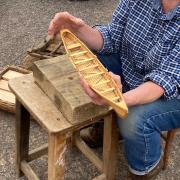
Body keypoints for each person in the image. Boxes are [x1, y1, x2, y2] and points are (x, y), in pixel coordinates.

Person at [48, 0, 180, 179]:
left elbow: (163, 81)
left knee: (134, 119)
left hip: (173, 93)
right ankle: (108, 124)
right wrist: (77, 29)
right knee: (89, 61)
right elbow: (112, 37)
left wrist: (117, 98)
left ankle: (146, 166)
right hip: (136, 72)